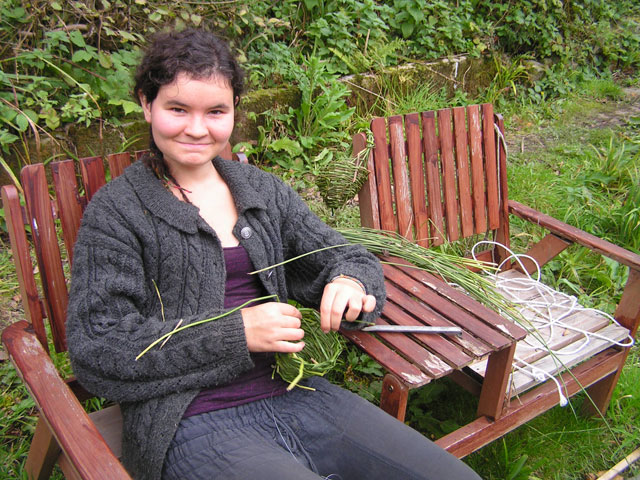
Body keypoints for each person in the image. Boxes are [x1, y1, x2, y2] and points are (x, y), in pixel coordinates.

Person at [66, 28, 481, 480]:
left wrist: (351, 283)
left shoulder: (260, 191)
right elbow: (97, 349)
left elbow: (346, 256)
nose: (197, 128)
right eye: (177, 109)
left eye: (216, 111)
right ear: (148, 105)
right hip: (190, 420)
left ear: (234, 113)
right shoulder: (118, 212)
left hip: (296, 391)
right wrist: (235, 335)